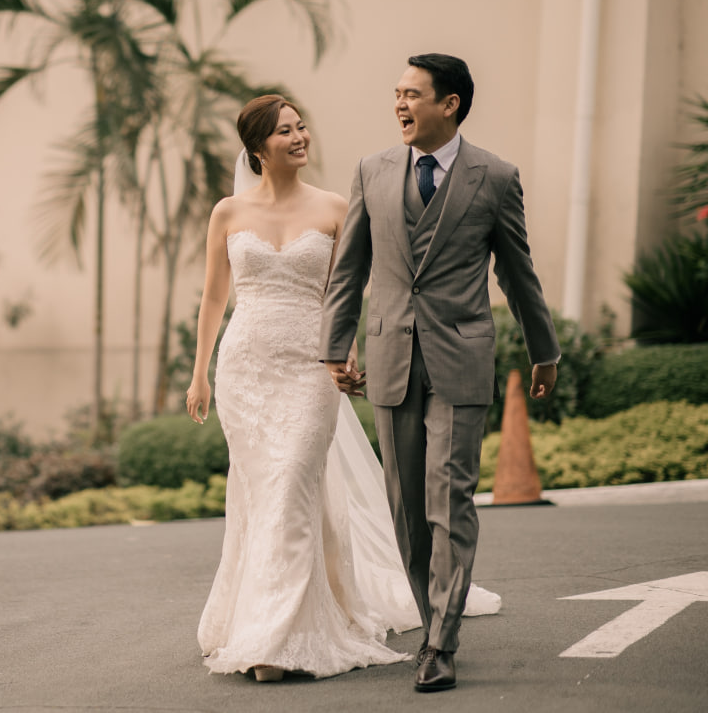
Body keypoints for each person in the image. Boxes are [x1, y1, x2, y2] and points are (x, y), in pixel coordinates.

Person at [186, 95, 499, 683]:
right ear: (258, 149)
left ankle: (278, 636)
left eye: (301, 126)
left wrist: (347, 352)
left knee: (292, 485)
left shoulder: (335, 206)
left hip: (311, 368)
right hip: (246, 369)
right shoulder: (227, 212)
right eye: (285, 131)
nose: (300, 137)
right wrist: (200, 371)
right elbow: (211, 298)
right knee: (262, 494)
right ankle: (261, 624)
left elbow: (349, 288)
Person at [320, 54, 560, 692]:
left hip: (460, 356)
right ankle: (431, 621)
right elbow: (350, 269)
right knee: (404, 507)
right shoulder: (372, 170)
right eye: (395, 94)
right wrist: (334, 348)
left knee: (448, 498)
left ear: (449, 104)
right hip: (390, 358)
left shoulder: (495, 176)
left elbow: (517, 269)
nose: (399, 104)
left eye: (412, 94)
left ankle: (442, 642)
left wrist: (544, 349)